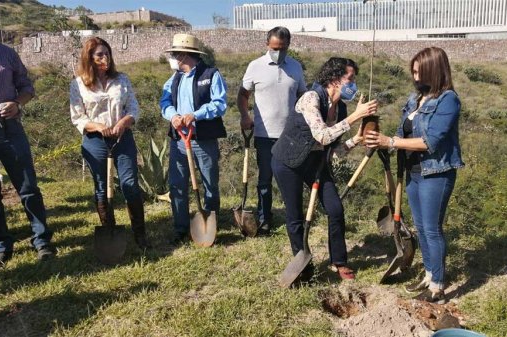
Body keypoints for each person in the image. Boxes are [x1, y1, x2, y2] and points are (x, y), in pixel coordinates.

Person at [364, 47, 464, 303]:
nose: (415, 76)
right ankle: (430, 275)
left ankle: (438, 287)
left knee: (432, 229)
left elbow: (430, 142)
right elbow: (402, 131)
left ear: (434, 70)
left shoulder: (448, 100)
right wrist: (382, 140)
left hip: (436, 173)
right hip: (414, 172)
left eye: (419, 71)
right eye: (413, 71)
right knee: (421, 228)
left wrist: (392, 142)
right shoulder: (414, 99)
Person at [271, 57, 378, 281]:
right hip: (287, 161)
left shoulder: (340, 109)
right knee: (295, 216)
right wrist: (355, 117)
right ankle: (303, 264)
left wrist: (356, 139)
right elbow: (322, 134)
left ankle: (339, 261)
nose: (353, 84)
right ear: (334, 79)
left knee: (335, 209)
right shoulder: (311, 98)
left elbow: (333, 150)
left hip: (316, 162)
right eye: (350, 79)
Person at [0, 11, 56, 267]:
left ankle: (42, 241)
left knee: (28, 188)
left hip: (9, 131)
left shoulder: (5, 53)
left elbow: (26, 86)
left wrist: (17, 103)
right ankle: (1, 246)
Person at [70, 37, 151, 249]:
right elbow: (77, 117)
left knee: (129, 184)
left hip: (122, 137)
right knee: (101, 187)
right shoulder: (78, 84)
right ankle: (110, 232)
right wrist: (98, 126)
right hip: (95, 140)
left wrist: (124, 122)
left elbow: (133, 108)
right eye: (99, 55)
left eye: (107, 53)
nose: (104, 58)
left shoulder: (122, 79)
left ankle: (140, 234)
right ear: (89, 58)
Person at [237, 26, 307, 235]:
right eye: (275, 47)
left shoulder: (295, 67)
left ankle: (294, 219)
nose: (279, 52)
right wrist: (244, 116)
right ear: (267, 44)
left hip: (290, 135)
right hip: (264, 134)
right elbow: (242, 95)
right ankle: (264, 219)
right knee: (265, 181)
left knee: (292, 179)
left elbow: (303, 97)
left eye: (283, 48)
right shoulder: (255, 66)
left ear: (288, 46)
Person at [160, 33, 227, 244]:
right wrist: (173, 116)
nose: (172, 58)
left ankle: (210, 222)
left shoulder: (211, 75)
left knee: (209, 182)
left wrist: (196, 115)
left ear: (185, 55)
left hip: (204, 138)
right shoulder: (173, 79)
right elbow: (165, 102)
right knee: (177, 184)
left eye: (175, 54)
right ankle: (180, 228)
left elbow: (220, 103)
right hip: (179, 139)